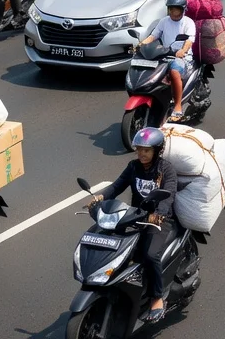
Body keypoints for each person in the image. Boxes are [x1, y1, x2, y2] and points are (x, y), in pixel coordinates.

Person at [84, 127, 179, 322]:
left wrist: (158, 214)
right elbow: (117, 186)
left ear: (157, 150)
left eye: (146, 150)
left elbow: (168, 195)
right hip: (135, 216)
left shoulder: (166, 169)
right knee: (114, 246)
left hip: (159, 220)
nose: (141, 154)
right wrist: (100, 197)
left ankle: (156, 297)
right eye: (139, 149)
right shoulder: (133, 166)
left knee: (149, 255)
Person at [136, 0, 195, 121]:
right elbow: (154, 36)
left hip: (182, 58)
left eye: (176, 9)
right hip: (165, 54)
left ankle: (178, 106)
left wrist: (183, 50)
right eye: (171, 9)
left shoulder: (188, 22)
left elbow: (189, 40)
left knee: (174, 71)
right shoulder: (164, 21)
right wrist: (141, 44)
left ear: (183, 9)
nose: (173, 12)